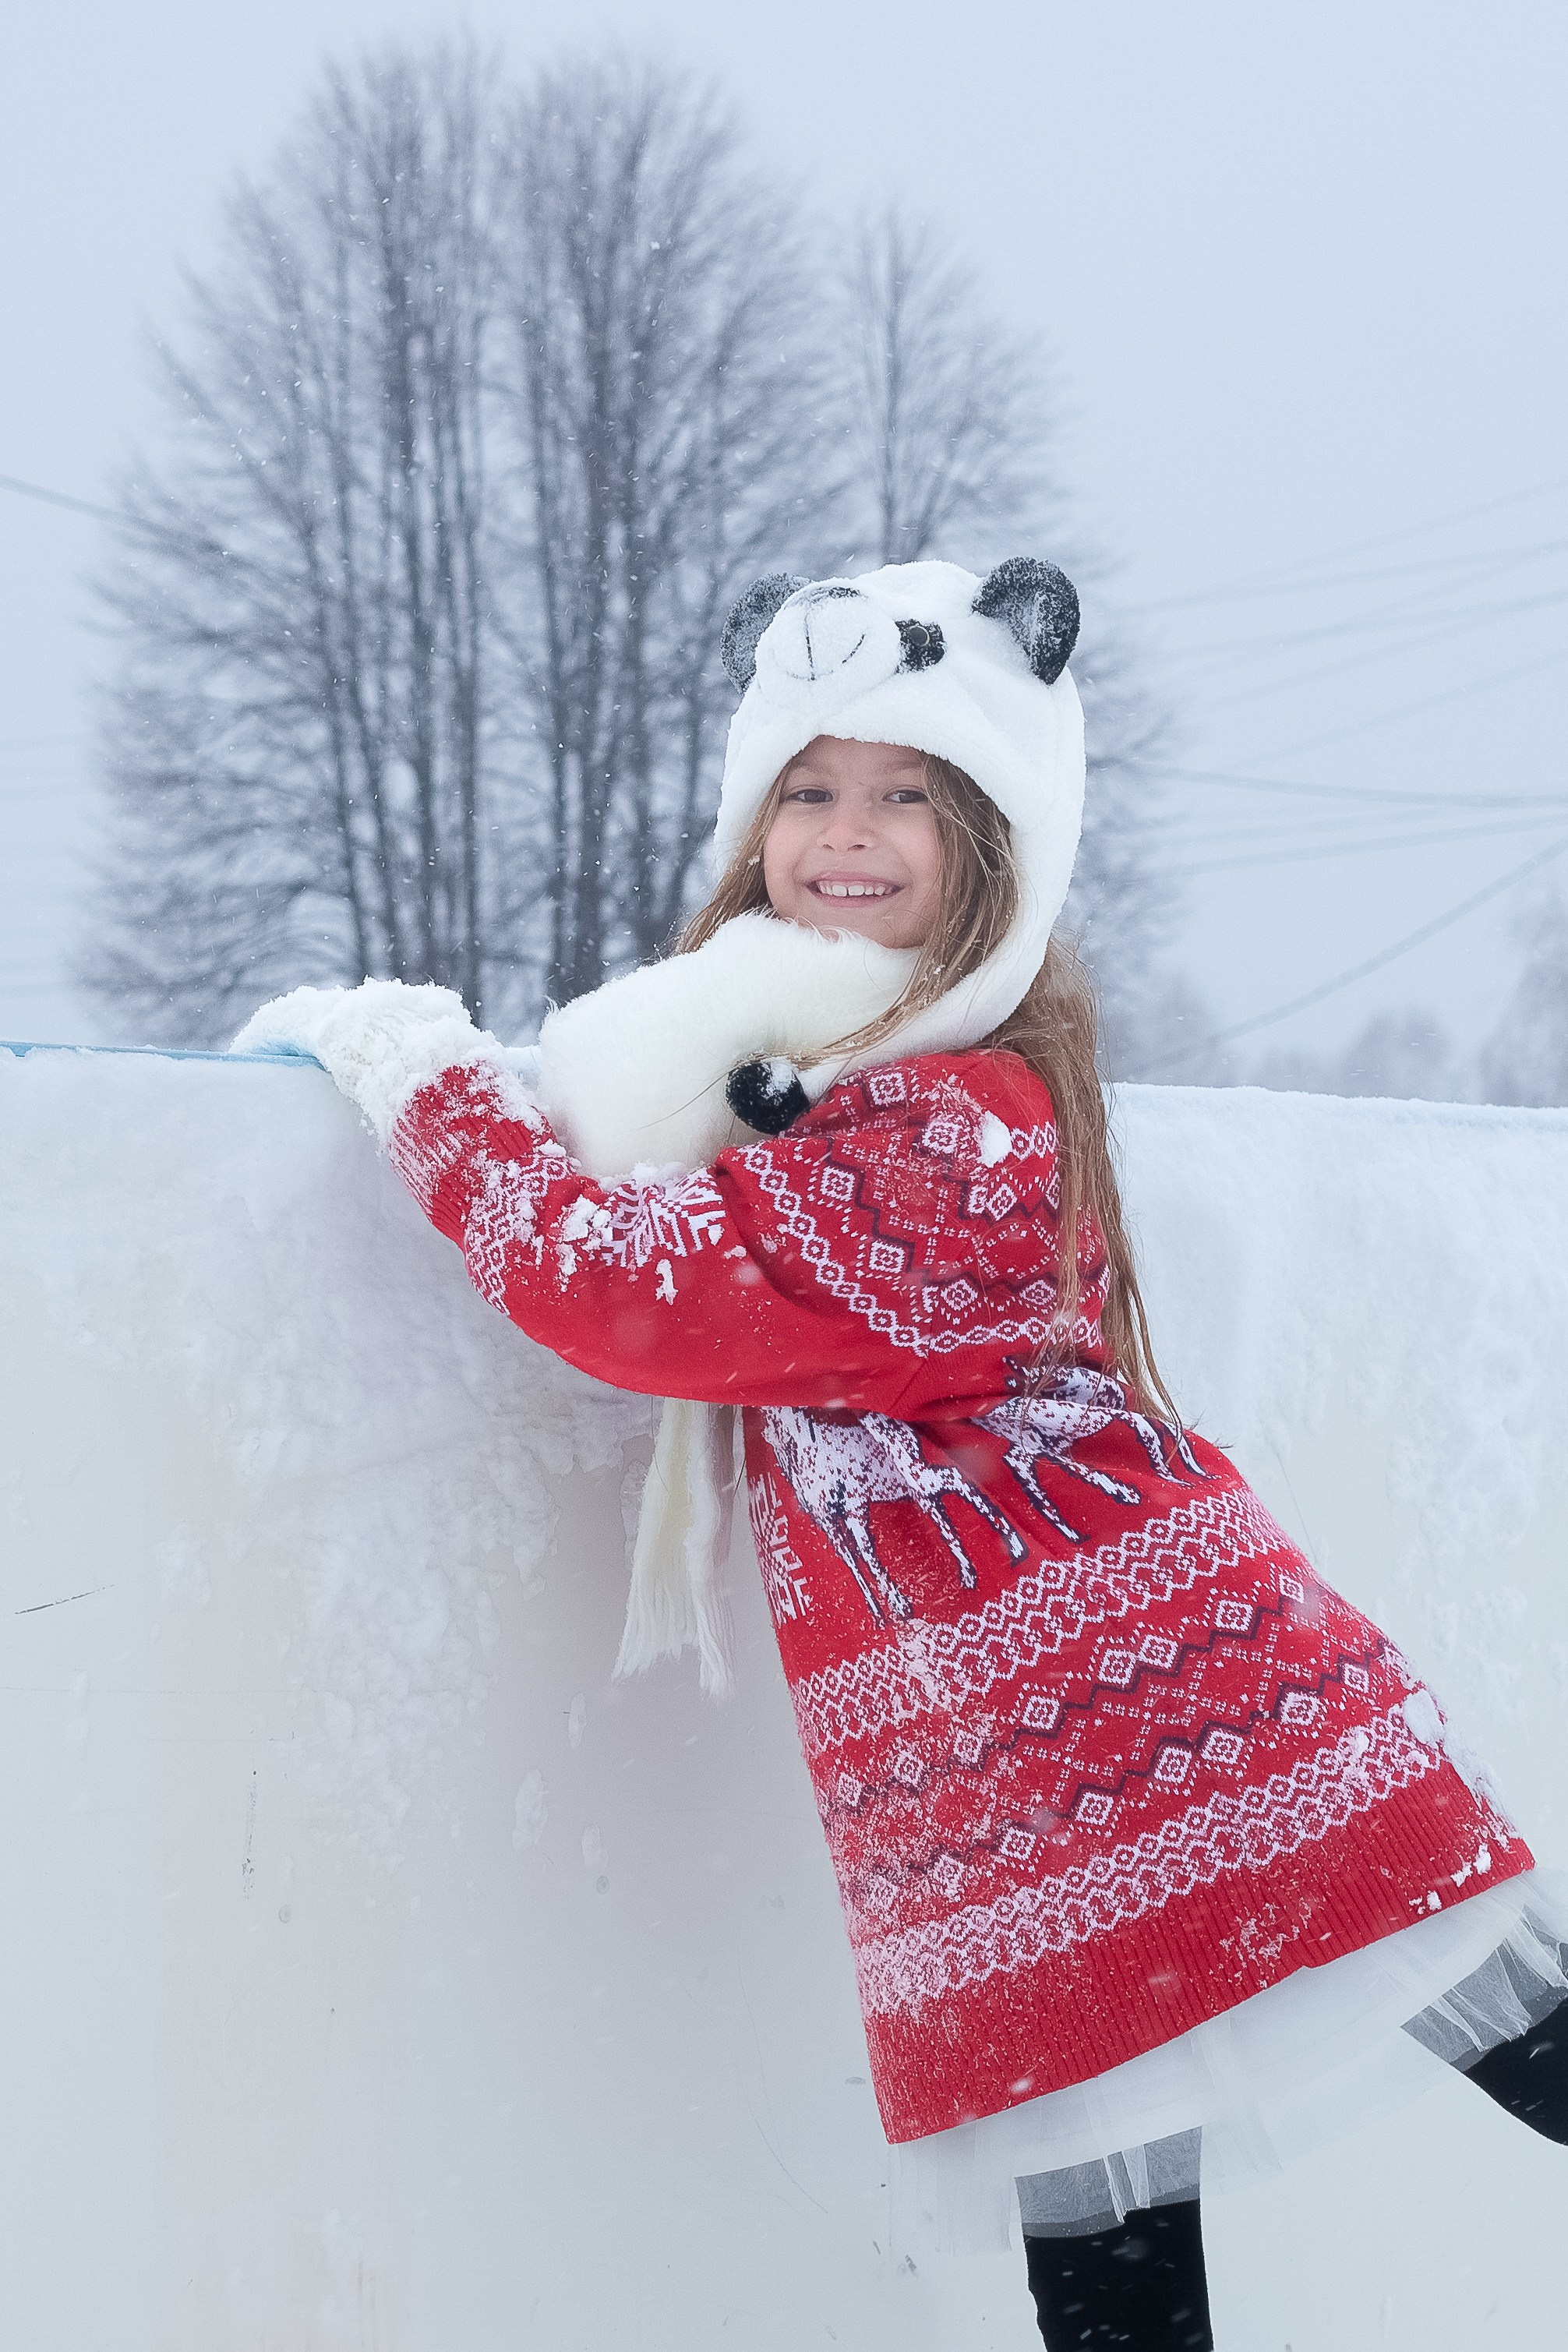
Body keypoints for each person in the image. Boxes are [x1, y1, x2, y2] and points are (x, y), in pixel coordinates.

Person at [236, 560, 1568, 2349]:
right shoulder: (822, 1077)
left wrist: (421, 1076)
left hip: (1161, 1719)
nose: (845, 836)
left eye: (909, 798)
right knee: (1112, 2245)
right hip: (1001, 1773)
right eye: (808, 788)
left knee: (1493, 2045)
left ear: (995, 851)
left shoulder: (955, 1117)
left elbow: (621, 1290)